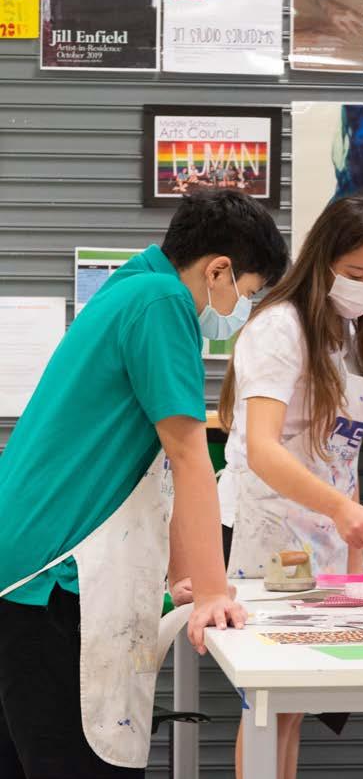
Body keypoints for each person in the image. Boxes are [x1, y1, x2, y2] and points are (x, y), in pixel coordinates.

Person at [0, 189, 289, 778]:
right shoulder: (162, 303)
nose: (242, 310)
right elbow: (189, 457)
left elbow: (154, 469)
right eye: (249, 293)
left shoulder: (130, 286)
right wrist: (212, 592)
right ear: (218, 271)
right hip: (51, 581)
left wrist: (183, 577)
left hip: (23, 574)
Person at [213, 195, 363, 779]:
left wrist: (354, 559)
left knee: (293, 704)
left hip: (319, 534)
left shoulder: (349, 332)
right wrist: (341, 513)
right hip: (264, 530)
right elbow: (264, 449)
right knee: (268, 702)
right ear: (321, 261)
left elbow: (340, 456)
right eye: (355, 274)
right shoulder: (279, 328)